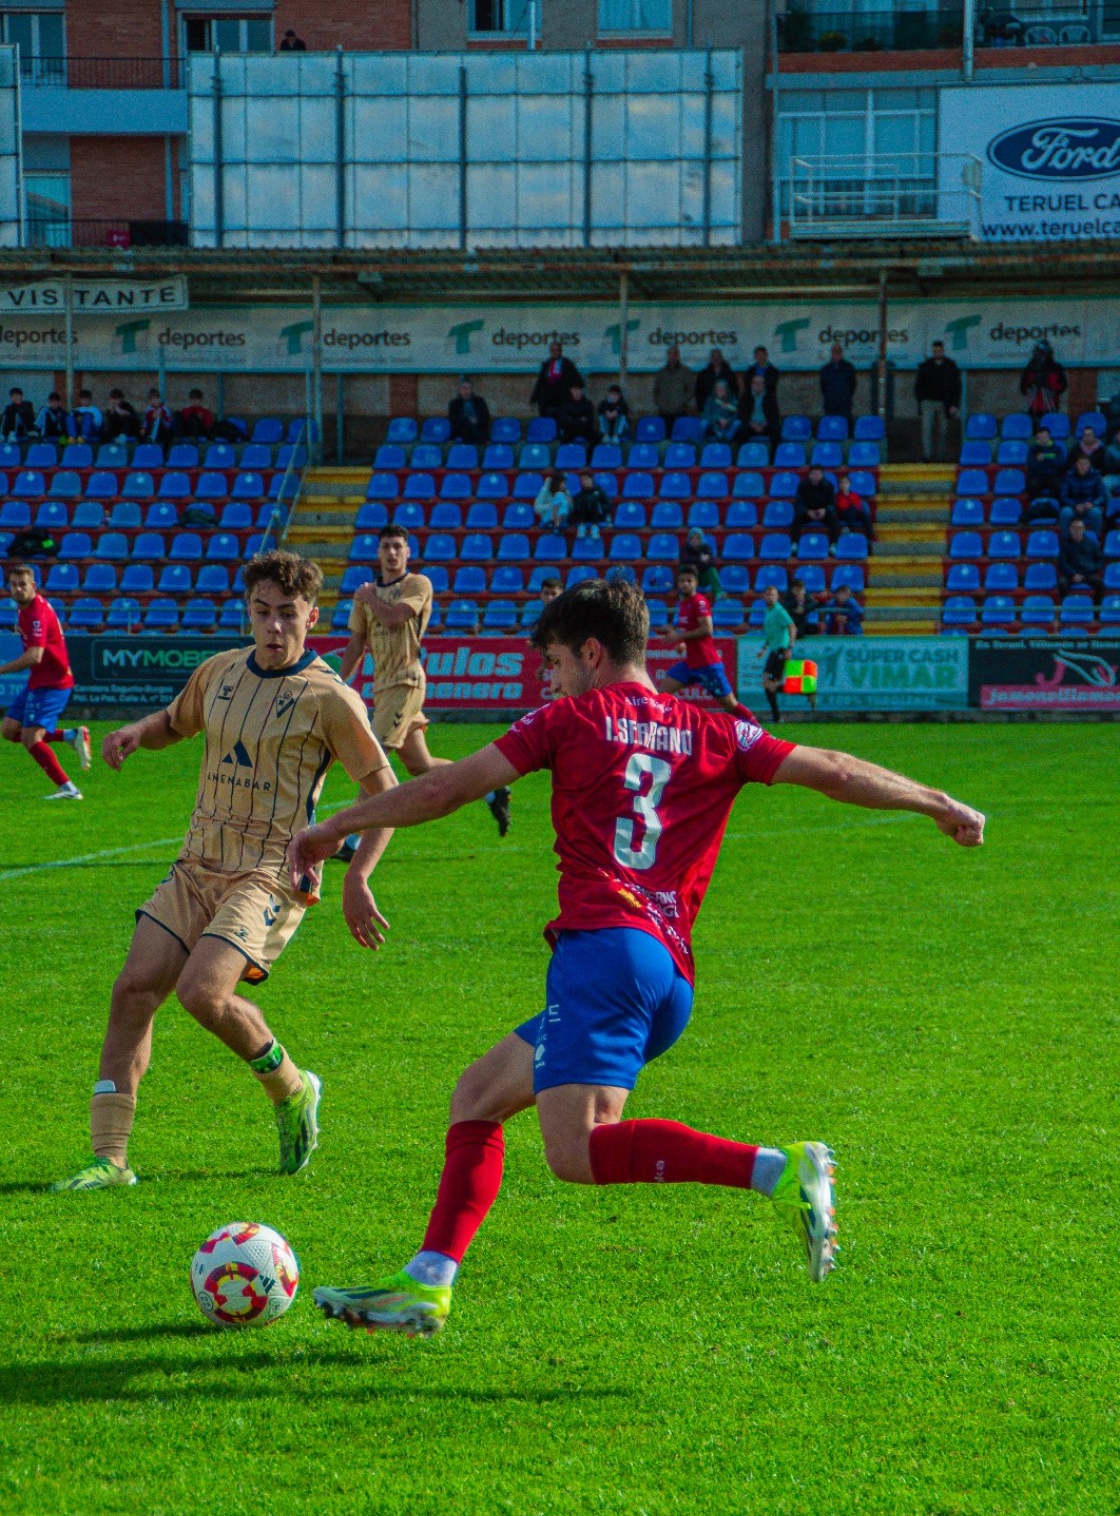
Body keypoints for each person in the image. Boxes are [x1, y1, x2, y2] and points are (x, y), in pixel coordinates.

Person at [289, 579, 985, 1337]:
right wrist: (935, 801)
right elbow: (836, 769)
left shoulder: (569, 717)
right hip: (664, 972)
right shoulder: (714, 728)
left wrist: (336, 827)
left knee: (578, 1151)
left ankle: (782, 1169)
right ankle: (426, 1283)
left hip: (603, 953)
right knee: (479, 1093)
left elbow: (452, 785)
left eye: (555, 662)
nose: (550, 680)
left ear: (592, 653)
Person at [48, 550, 398, 1193]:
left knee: (201, 994)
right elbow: (172, 724)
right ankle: (112, 1158)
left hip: (268, 872)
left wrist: (358, 876)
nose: (272, 627)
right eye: (261, 612)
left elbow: (384, 792)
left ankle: (292, 1088)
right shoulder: (219, 673)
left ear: (311, 616)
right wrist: (136, 732)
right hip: (195, 864)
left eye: (287, 615)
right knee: (133, 991)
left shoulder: (329, 697)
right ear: (248, 611)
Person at [335, 523, 512, 849]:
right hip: (384, 687)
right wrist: (339, 680)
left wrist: (369, 597)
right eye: (386, 546)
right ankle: (491, 790)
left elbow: (395, 617)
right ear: (378, 552)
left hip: (407, 681)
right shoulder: (367, 596)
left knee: (374, 758)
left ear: (407, 552)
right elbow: (356, 642)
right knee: (421, 765)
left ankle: (354, 843)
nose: (391, 553)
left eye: (397, 547)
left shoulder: (416, 584)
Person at [0, 562, 90, 799]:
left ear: (33, 586)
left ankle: (69, 790)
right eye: (13, 585)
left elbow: (35, 655)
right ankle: (71, 735)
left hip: (53, 682)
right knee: (9, 730)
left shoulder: (37, 613)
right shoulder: (24, 609)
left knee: (30, 738)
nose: (18, 589)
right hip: (39, 680)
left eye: (23, 585)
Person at [660, 564, 749, 717]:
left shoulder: (699, 602)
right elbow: (690, 631)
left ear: (696, 583)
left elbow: (707, 629)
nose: (685, 584)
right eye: (682, 581)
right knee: (660, 693)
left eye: (689, 580)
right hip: (690, 663)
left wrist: (678, 637)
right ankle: (668, 725)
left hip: (707, 664)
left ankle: (757, 730)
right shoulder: (683, 604)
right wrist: (683, 644)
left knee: (730, 705)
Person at [914, 340, 962, 462]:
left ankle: (941, 457)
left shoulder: (951, 366)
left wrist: (954, 404)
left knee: (943, 431)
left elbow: (957, 387)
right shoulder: (926, 366)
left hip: (944, 403)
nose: (937, 353)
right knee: (926, 429)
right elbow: (918, 385)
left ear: (943, 351)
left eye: (939, 351)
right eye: (935, 351)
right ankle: (927, 456)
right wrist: (921, 400)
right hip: (928, 402)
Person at [757, 583, 796, 724]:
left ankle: (778, 716)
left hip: (781, 649)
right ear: (764, 596)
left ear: (777, 597)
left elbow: (792, 626)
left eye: (773, 595)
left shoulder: (779, 610)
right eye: (768, 594)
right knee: (767, 682)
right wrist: (764, 648)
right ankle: (777, 717)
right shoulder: (769, 611)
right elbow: (771, 634)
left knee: (770, 683)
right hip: (773, 650)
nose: (770, 597)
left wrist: (790, 647)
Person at [531, 342, 584, 420]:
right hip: (548, 403)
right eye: (553, 350)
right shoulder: (546, 364)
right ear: (550, 351)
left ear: (561, 351)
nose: (555, 352)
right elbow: (540, 383)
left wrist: (573, 392)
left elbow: (578, 382)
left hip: (563, 402)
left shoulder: (568, 364)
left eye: (557, 350)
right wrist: (533, 400)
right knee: (548, 425)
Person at [1058, 517, 1104, 602]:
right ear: (1070, 529)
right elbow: (1062, 562)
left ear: (1083, 529)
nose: (1077, 530)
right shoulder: (1065, 545)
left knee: (1099, 583)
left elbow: (1100, 560)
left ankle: (1096, 610)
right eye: (1074, 528)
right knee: (1062, 584)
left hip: (1088, 574)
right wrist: (1073, 574)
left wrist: (1094, 568)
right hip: (1071, 575)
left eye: (1079, 528)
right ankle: (1067, 606)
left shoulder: (1092, 544)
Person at [1019, 340, 1067, 421]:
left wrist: (1051, 389)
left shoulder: (1056, 367)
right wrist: (1032, 384)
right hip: (1034, 406)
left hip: (1050, 405)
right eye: (1039, 353)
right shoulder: (1030, 368)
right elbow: (1023, 387)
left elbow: (1063, 385)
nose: (1041, 356)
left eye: (1043, 353)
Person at [1059, 455, 1104, 540]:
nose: (1083, 466)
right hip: (1073, 507)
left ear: (1089, 465)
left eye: (1085, 464)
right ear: (1076, 465)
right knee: (1065, 512)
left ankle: (1094, 541)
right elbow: (1063, 496)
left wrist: (1093, 504)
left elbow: (1101, 496)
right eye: (1080, 464)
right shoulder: (1069, 476)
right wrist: (1074, 505)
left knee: (1097, 513)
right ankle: (1066, 541)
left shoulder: (1096, 476)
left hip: (1089, 506)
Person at [652, 345, 695, 432]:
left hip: (679, 412)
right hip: (664, 412)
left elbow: (691, 389)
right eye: (670, 354)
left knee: (680, 436)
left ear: (678, 355)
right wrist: (659, 402)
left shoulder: (685, 371)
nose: (672, 356)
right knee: (664, 438)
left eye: (674, 354)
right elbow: (656, 390)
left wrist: (682, 401)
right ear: (667, 356)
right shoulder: (661, 372)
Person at [738, 373, 781, 458]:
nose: (758, 385)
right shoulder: (746, 396)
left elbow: (775, 414)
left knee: (776, 429)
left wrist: (765, 423)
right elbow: (742, 414)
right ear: (752, 384)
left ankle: (773, 458)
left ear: (764, 384)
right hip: (751, 425)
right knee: (741, 430)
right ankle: (744, 456)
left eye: (761, 383)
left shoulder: (770, 397)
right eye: (756, 383)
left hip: (765, 425)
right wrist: (752, 424)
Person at [793, 466, 838, 543]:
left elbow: (832, 503)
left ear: (822, 475)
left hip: (823, 513)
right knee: (797, 516)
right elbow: (798, 503)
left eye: (817, 474)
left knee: (833, 517)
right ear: (809, 475)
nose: (815, 476)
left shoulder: (829, 486)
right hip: (807, 513)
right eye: (813, 474)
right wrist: (807, 511)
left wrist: (825, 510)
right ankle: (794, 543)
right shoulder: (802, 486)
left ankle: (833, 544)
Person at [819, 343, 857, 431]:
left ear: (842, 353)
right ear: (831, 353)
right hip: (830, 405)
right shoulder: (825, 369)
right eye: (835, 351)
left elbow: (853, 385)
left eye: (838, 351)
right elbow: (823, 387)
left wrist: (845, 396)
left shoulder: (848, 367)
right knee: (830, 428)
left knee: (846, 428)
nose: (836, 353)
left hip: (844, 405)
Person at [1027, 425, 1065, 501]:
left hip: (1053, 476)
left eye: (1045, 436)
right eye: (1040, 437)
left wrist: (1045, 458)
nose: (1043, 439)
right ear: (1037, 438)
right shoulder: (1032, 449)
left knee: (1059, 486)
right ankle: (1034, 507)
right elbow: (1031, 465)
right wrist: (1049, 463)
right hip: (1037, 477)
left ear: (1049, 436)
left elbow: (1061, 463)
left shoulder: (1056, 449)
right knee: (1032, 485)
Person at [448, 377, 491, 446]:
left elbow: (486, 417)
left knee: (472, 424)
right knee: (466, 420)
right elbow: (452, 419)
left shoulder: (480, 401)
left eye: (468, 388)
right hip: (461, 429)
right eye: (463, 388)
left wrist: (477, 420)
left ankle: (473, 442)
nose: (466, 390)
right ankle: (481, 441)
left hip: (478, 427)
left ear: (471, 390)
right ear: (459, 390)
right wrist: (467, 419)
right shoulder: (454, 403)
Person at [681, 528, 721, 598]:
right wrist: (700, 559)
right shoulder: (685, 548)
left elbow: (711, 562)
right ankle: (684, 593)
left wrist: (694, 564)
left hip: (703, 577)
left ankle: (718, 593)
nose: (695, 540)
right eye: (692, 538)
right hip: (691, 577)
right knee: (683, 568)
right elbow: (684, 560)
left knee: (712, 570)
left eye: (697, 538)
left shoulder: (706, 548)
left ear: (701, 539)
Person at [694, 349, 738, 415]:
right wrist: (702, 408)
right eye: (714, 357)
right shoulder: (703, 374)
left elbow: (734, 391)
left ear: (722, 358)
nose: (716, 359)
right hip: (708, 409)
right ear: (710, 359)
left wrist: (730, 407)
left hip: (726, 409)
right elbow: (699, 393)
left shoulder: (729, 374)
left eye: (718, 357)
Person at [572, 468, 612, 539]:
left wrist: (600, 507)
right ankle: (581, 527)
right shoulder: (580, 494)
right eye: (582, 480)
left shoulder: (600, 492)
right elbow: (575, 508)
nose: (584, 482)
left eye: (586, 479)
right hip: (584, 517)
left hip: (598, 516)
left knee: (593, 500)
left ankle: (595, 527)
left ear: (591, 480)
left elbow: (609, 505)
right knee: (583, 500)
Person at [558, 382, 600, 447]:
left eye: (579, 390)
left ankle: (590, 456)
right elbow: (564, 420)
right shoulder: (566, 404)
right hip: (570, 429)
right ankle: (566, 456)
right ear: (571, 390)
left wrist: (573, 419)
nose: (577, 392)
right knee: (563, 441)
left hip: (584, 429)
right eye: (575, 390)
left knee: (596, 438)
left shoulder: (587, 403)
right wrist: (580, 419)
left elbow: (590, 419)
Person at [835, 472, 871, 538]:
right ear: (839, 485)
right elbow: (842, 507)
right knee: (852, 508)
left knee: (864, 515)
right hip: (843, 514)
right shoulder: (837, 496)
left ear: (850, 484)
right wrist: (851, 506)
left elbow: (858, 507)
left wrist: (851, 506)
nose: (844, 485)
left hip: (854, 513)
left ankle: (871, 536)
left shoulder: (855, 495)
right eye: (841, 483)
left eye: (846, 483)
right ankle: (849, 528)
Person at [702, 379, 738, 444]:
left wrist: (728, 421)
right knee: (704, 422)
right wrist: (718, 419)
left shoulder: (732, 398)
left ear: (726, 388)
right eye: (718, 387)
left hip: (728, 424)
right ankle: (701, 444)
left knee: (737, 422)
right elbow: (706, 414)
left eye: (722, 387)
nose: (720, 389)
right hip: (714, 425)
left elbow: (737, 413)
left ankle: (725, 439)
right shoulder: (710, 399)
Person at [1102, 425, 1120, 504]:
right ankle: (1112, 506)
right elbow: (1108, 468)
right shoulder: (1110, 449)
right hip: (1116, 476)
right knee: (1104, 482)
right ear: (1116, 436)